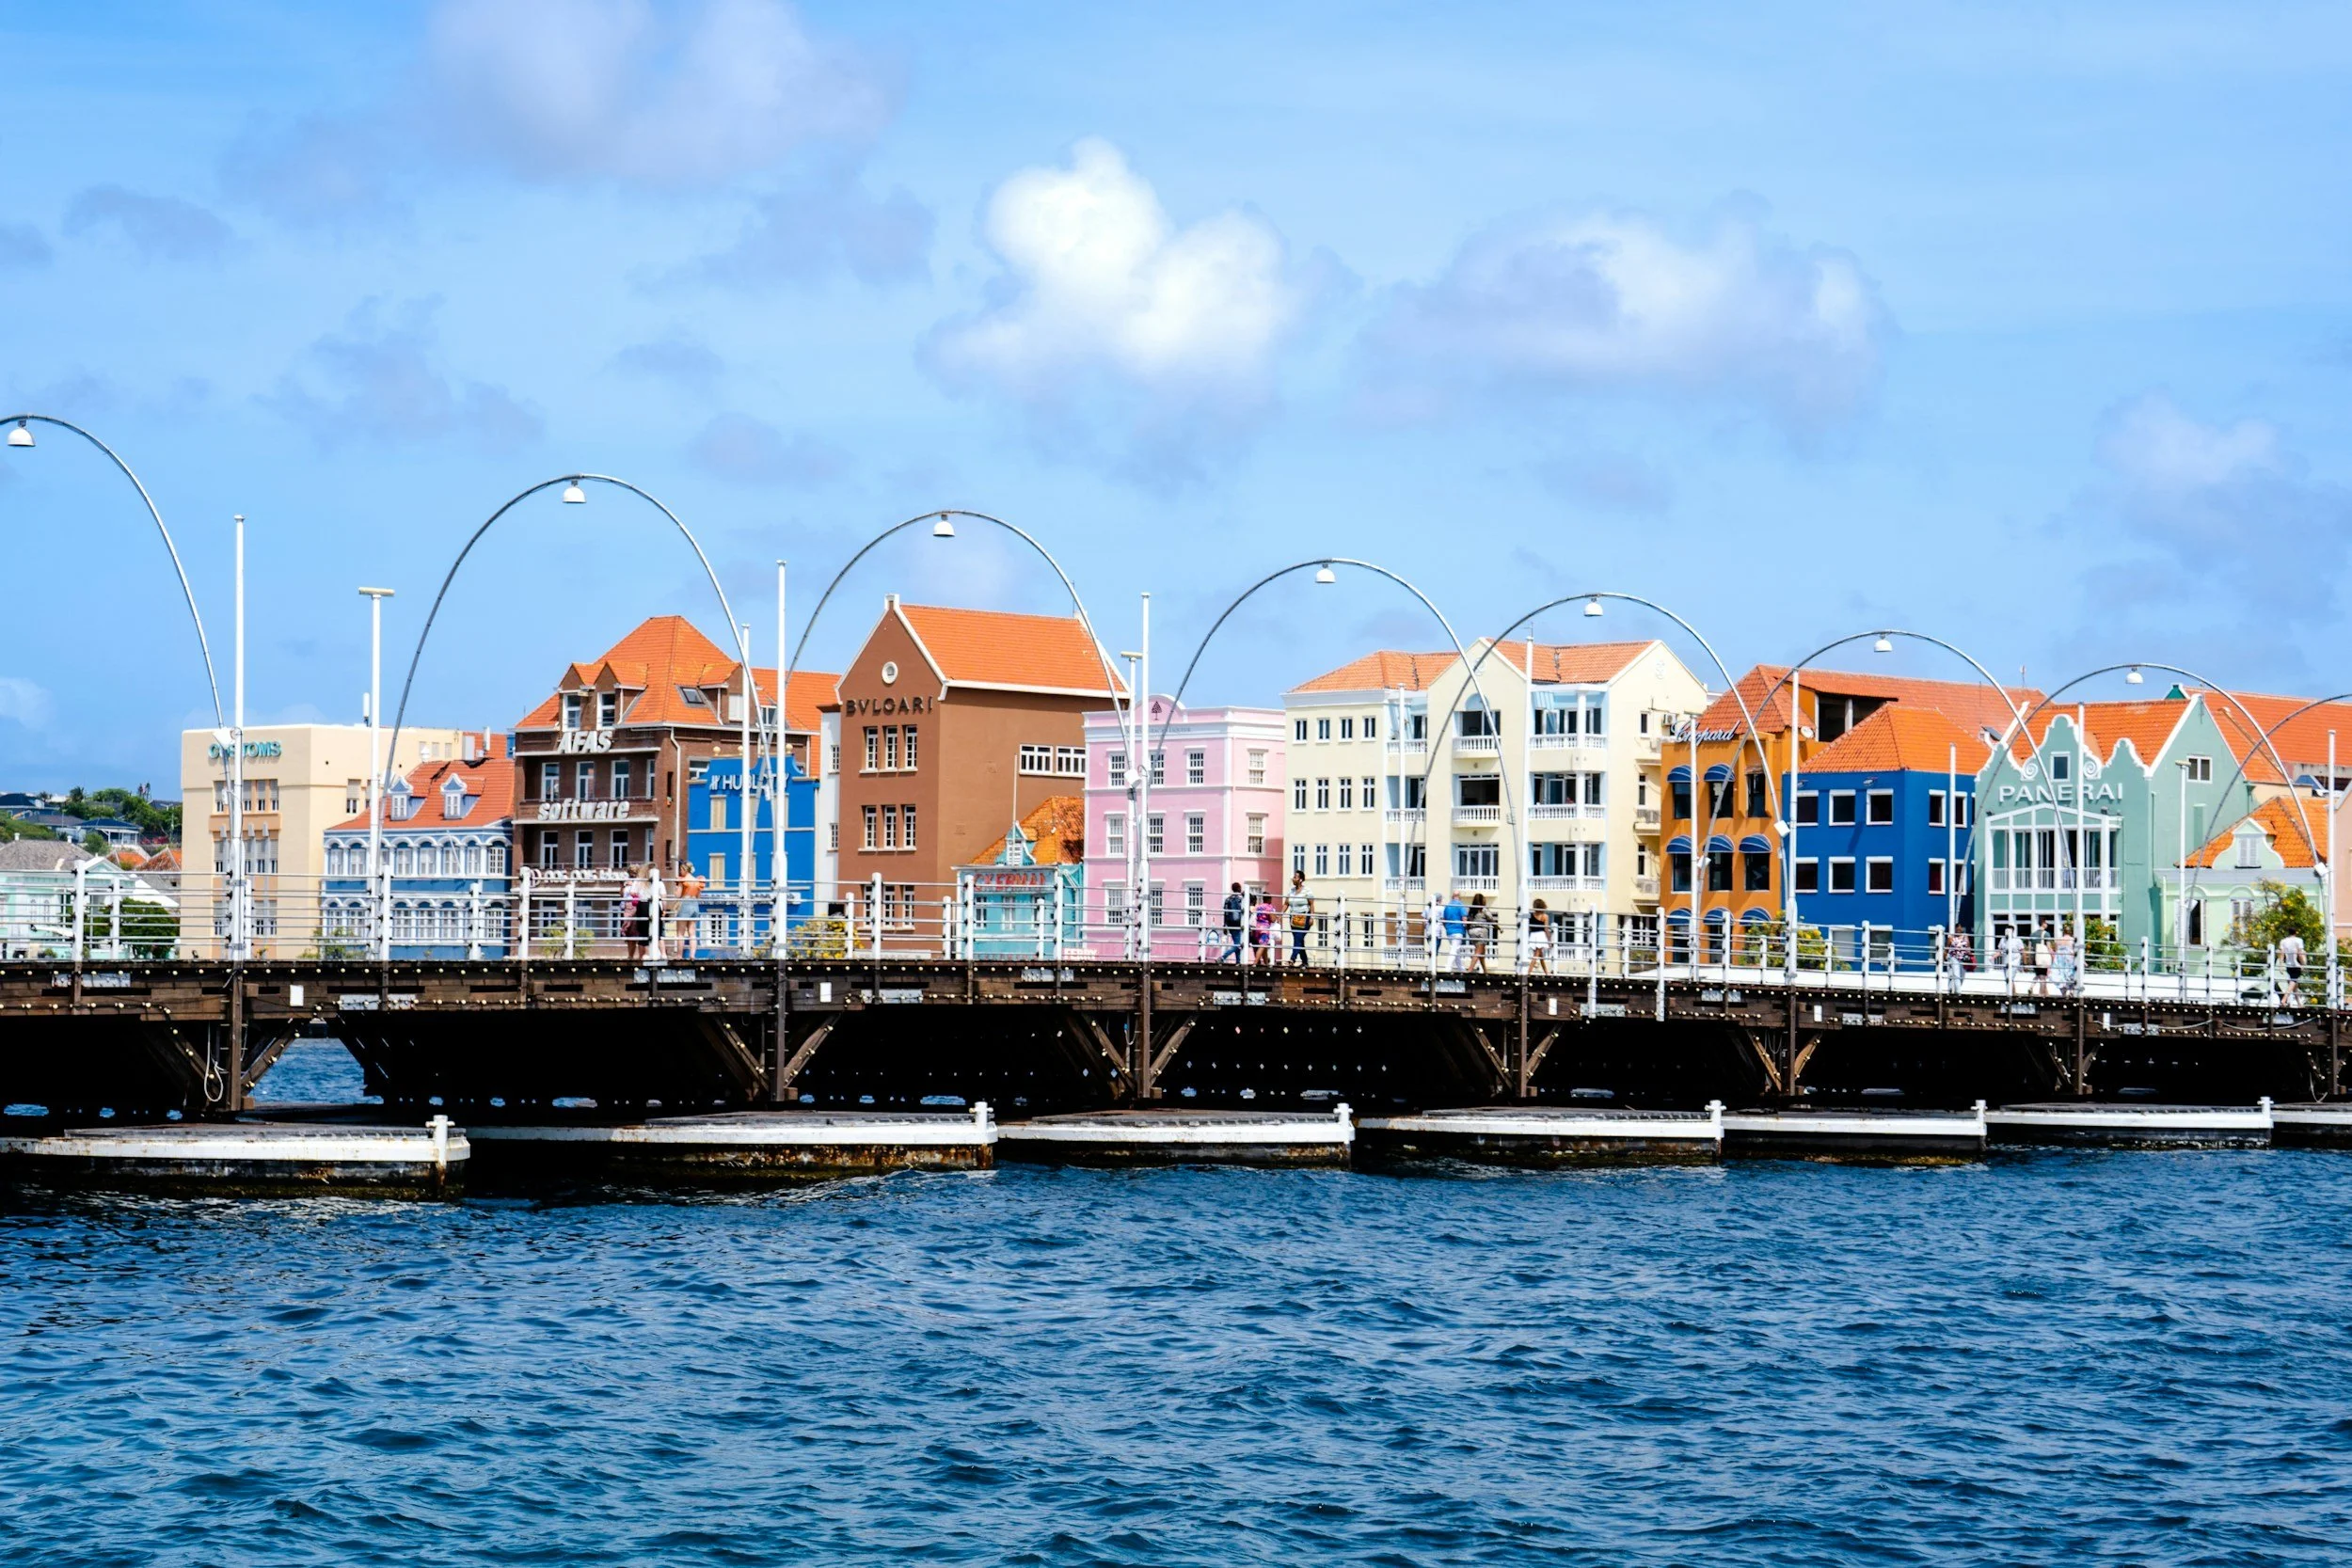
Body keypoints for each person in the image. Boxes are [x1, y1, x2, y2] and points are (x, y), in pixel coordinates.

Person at [673, 860, 705, 956]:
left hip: (685, 903)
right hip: (695, 904)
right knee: (692, 932)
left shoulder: (683, 880)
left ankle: (679, 955)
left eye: (680, 869)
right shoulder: (697, 881)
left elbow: (678, 895)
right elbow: (699, 896)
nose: (680, 871)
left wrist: (676, 887)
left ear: (684, 869)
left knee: (680, 933)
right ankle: (692, 955)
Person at [621, 868, 650, 962]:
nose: (632, 875)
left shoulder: (640, 881)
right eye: (630, 873)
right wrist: (622, 885)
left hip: (637, 906)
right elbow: (622, 894)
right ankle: (630, 955)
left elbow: (639, 892)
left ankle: (641, 955)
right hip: (627, 908)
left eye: (633, 873)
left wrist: (633, 885)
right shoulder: (627, 882)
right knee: (629, 933)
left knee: (638, 931)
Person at [1285, 871, 1314, 967]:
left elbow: (1311, 904)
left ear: (1300, 880)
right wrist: (1280, 914)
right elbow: (1286, 903)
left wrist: (1312, 917)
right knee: (1299, 940)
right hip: (1293, 918)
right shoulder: (1291, 891)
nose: (1293, 879)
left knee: (1298, 938)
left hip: (1304, 917)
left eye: (1295, 877)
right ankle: (1305, 961)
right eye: (1293, 877)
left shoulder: (1307, 891)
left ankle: (1292, 959)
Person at [1221, 881, 1247, 964]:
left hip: (1230, 923)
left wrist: (1225, 925)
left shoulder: (1227, 899)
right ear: (1239, 888)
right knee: (1238, 943)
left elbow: (1225, 912)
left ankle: (1238, 961)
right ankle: (1223, 957)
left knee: (1237, 942)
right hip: (1239, 923)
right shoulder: (1241, 899)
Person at [2280, 930, 2308, 1006]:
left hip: (2288, 964)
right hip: (2296, 964)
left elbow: (2282, 954)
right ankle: (2284, 999)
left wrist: (2281, 965)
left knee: (2295, 984)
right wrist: (2303, 964)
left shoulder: (2284, 941)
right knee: (2293, 981)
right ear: (2295, 933)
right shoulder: (2299, 940)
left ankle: (2299, 1003)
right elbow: (2300, 953)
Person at [1467, 893, 1492, 973]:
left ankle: (1485, 970)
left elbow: (1468, 921)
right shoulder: (1483, 909)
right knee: (1478, 952)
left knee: (1482, 951)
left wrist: (1468, 931)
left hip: (1472, 931)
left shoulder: (1471, 910)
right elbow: (1491, 919)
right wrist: (1499, 928)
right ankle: (1470, 970)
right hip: (1481, 932)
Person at [1527, 898, 1551, 974]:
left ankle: (1546, 972)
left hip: (1533, 935)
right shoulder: (1544, 916)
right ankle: (1528, 972)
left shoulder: (1531, 916)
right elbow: (1546, 929)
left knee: (1541, 956)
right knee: (1536, 955)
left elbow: (1529, 928)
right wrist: (1549, 940)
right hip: (1540, 935)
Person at [1250, 893, 1276, 966]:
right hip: (1265, 929)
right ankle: (1255, 962)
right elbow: (1273, 919)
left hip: (1257, 928)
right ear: (1269, 899)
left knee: (1264, 946)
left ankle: (1266, 963)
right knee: (1262, 946)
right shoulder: (1269, 907)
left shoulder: (1258, 907)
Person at [2032, 927, 2054, 997]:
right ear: (2043, 923)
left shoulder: (2032, 934)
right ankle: (2041, 994)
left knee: (2038, 975)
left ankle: (2032, 987)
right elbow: (2049, 947)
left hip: (2035, 957)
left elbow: (2030, 947)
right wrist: (2053, 956)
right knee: (2043, 977)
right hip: (2042, 958)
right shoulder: (2046, 934)